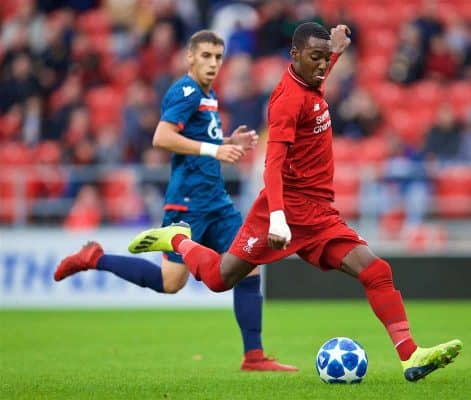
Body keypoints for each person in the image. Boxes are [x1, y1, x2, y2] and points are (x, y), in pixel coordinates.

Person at [128, 22, 462, 382]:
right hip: (283, 209)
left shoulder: (311, 80)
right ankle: (178, 238)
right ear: (295, 56)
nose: (322, 65)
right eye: (315, 58)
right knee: (220, 279)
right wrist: (276, 217)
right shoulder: (287, 99)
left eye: (325, 59)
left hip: (318, 214)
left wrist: (335, 50)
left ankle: (410, 356)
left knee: (376, 270)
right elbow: (272, 164)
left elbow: (320, 66)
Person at [53, 30, 297, 372]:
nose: (213, 63)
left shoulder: (208, 97)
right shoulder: (184, 91)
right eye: (206, 56)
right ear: (190, 57)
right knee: (171, 283)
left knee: (250, 265)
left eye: (218, 57)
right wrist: (215, 148)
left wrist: (227, 140)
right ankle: (95, 259)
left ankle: (253, 355)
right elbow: (162, 136)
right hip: (188, 202)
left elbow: (194, 140)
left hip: (216, 200)